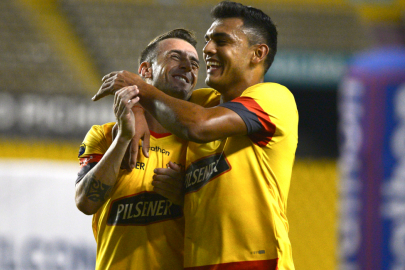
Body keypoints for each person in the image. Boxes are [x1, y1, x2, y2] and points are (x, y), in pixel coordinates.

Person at [93, 1, 298, 269]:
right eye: (208, 40)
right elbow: (164, 98)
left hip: (256, 262)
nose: (208, 49)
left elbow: (197, 126)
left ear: (257, 53)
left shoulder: (274, 99)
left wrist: (139, 88)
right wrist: (136, 109)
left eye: (221, 41)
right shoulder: (203, 102)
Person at [75, 28, 218, 270]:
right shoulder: (103, 135)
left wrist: (185, 197)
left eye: (195, 63)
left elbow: (218, 224)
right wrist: (123, 138)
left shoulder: (201, 143)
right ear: (144, 71)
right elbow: (86, 203)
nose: (188, 66)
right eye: (175, 57)